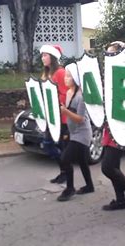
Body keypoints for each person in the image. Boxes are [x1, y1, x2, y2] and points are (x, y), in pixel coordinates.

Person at [101, 41, 125, 212]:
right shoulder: (109, 75)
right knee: (113, 167)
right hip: (110, 127)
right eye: (107, 54)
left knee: (108, 167)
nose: (108, 57)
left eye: (111, 54)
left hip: (122, 127)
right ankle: (120, 200)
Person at [56, 63, 94, 201]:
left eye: (69, 76)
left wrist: (65, 111)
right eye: (65, 76)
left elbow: (79, 118)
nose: (65, 79)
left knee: (65, 159)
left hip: (82, 134)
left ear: (76, 79)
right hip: (73, 132)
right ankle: (89, 186)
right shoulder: (68, 92)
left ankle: (70, 188)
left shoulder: (81, 97)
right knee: (82, 161)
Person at [39, 44, 69, 184]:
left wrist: (55, 104)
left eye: (45, 55)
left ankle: (65, 173)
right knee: (48, 144)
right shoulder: (47, 73)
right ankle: (63, 171)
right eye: (42, 55)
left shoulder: (60, 73)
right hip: (50, 116)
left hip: (61, 117)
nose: (42, 58)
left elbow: (65, 94)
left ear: (52, 57)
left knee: (60, 146)